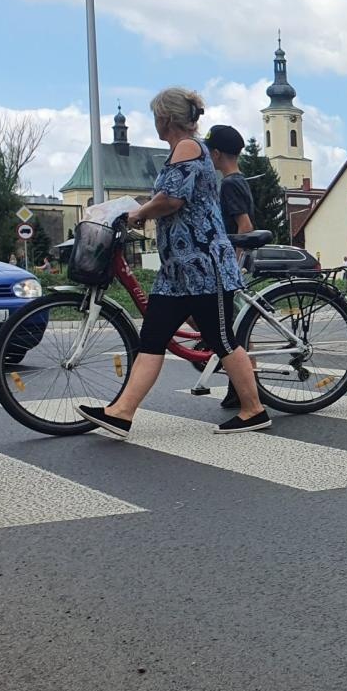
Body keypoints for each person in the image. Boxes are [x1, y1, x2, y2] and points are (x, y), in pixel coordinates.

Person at [77, 87, 271, 437]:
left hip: (203, 266)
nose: (154, 122)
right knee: (152, 338)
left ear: (164, 119)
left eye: (155, 117)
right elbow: (169, 198)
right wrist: (143, 210)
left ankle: (253, 409)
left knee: (221, 339)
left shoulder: (188, 146)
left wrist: (139, 213)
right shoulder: (184, 150)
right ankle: (121, 413)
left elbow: (172, 199)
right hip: (178, 270)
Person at [205, 124, 256, 410]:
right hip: (235, 260)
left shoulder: (230, 184)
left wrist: (234, 263)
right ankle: (239, 384)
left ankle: (246, 385)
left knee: (237, 329)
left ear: (215, 154)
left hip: (234, 262)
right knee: (236, 327)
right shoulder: (237, 180)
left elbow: (245, 226)